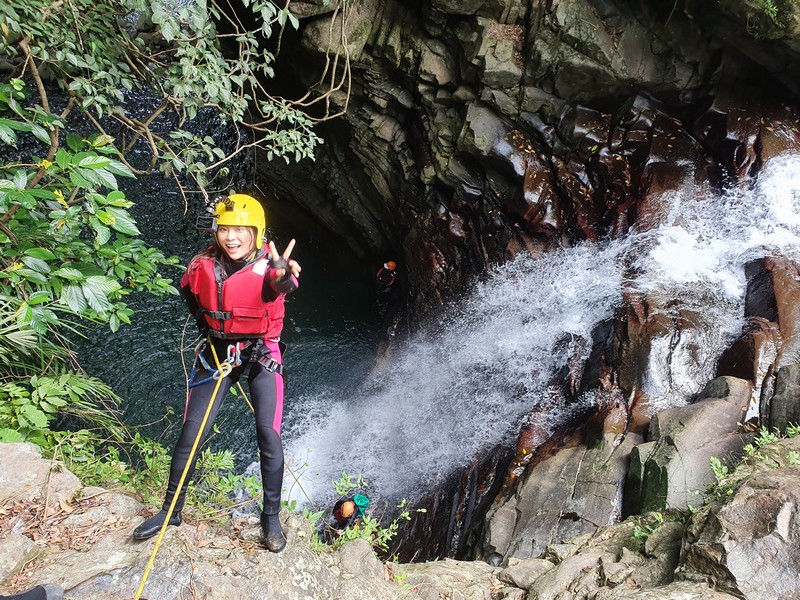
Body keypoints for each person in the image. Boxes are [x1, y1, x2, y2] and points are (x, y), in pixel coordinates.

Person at [131, 193, 301, 553]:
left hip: (258, 355)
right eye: (225, 229)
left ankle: (270, 519)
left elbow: (281, 284)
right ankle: (170, 511)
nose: (232, 237)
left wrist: (283, 274)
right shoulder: (201, 266)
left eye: (241, 229)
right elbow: (190, 296)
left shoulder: (270, 270)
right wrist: (209, 328)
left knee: (267, 437)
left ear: (256, 233)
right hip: (216, 353)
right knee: (191, 433)